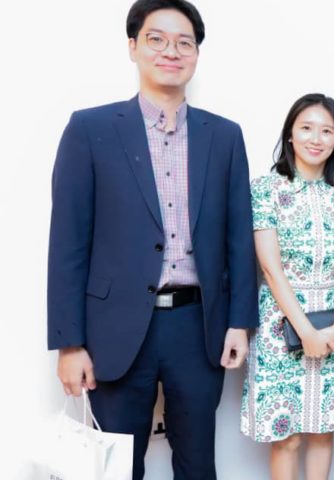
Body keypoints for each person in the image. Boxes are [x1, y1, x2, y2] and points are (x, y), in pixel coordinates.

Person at [47, 0, 257, 478]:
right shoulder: (90, 129)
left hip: (197, 326)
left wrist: (239, 323)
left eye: (185, 43)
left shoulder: (224, 136)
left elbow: (238, 237)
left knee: (198, 464)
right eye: (156, 39)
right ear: (133, 47)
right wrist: (69, 343)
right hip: (114, 329)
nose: (171, 51)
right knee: (117, 468)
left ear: (197, 54)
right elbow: (68, 243)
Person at [241, 93, 334, 480]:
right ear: (290, 135)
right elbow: (270, 267)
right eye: (306, 128)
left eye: (327, 131)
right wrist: (305, 331)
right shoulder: (266, 189)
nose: (316, 138)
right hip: (280, 322)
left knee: (324, 430)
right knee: (287, 436)